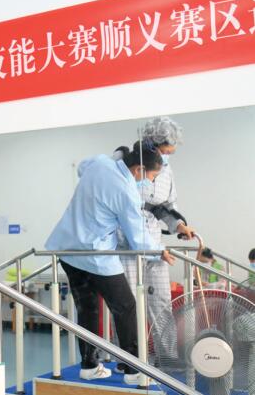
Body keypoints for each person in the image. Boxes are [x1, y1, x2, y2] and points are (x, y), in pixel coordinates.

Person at [45, 141, 174, 385]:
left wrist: (115, 158)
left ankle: (89, 366)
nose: (149, 182)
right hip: (95, 254)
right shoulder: (126, 191)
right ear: (139, 170)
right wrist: (160, 251)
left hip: (67, 250)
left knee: (87, 309)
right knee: (126, 307)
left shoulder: (101, 163)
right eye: (151, 177)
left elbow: (81, 167)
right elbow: (138, 239)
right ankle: (134, 371)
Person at [114, 117, 192, 372]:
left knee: (161, 300)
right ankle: (128, 357)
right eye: (166, 150)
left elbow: (167, 206)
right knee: (128, 303)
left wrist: (178, 225)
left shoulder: (166, 171)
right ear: (152, 143)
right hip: (127, 244)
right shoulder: (127, 163)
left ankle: (167, 356)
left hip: (155, 242)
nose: (168, 156)